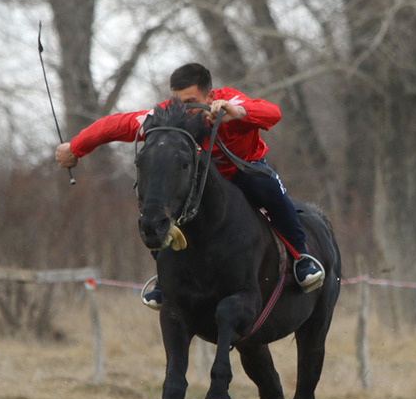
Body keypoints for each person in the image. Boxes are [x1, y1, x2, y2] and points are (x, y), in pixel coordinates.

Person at [55, 63, 323, 309]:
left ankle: (302, 258)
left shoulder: (231, 101)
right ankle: (165, 277)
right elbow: (113, 126)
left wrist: (236, 113)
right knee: (160, 205)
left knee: (269, 191)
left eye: (192, 102)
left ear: (209, 97)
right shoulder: (168, 115)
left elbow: (271, 113)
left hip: (244, 170)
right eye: (178, 101)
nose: (185, 109)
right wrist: (75, 148)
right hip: (203, 184)